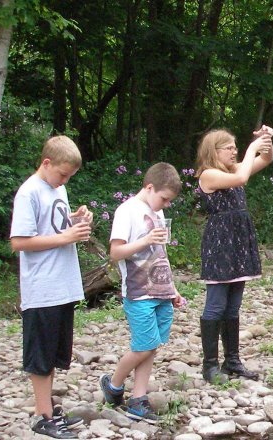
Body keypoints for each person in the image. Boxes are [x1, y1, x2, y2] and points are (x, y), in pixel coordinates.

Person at [11, 135, 91, 439]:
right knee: (40, 355)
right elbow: (19, 241)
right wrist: (65, 237)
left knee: (55, 352)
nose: (65, 180)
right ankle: (42, 416)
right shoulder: (29, 192)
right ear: (47, 163)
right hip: (42, 287)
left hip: (63, 285)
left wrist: (76, 218)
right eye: (62, 174)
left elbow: (54, 225)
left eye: (69, 176)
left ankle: (47, 410)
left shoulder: (58, 188)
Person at [100, 163, 184, 423]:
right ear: (149, 188)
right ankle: (113, 384)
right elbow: (115, 252)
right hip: (138, 293)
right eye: (164, 198)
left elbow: (161, 256)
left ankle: (138, 397)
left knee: (152, 346)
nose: (166, 204)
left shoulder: (157, 214)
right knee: (143, 346)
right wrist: (145, 240)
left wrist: (173, 289)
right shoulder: (127, 211)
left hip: (161, 291)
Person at [195, 127, 273, 383]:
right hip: (220, 244)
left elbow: (266, 159)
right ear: (213, 151)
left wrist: (265, 141)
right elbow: (242, 178)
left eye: (235, 146)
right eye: (229, 147)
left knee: (233, 305)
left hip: (239, 241)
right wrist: (253, 147)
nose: (234, 150)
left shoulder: (235, 169)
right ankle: (209, 366)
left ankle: (232, 360)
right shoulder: (208, 175)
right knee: (216, 304)